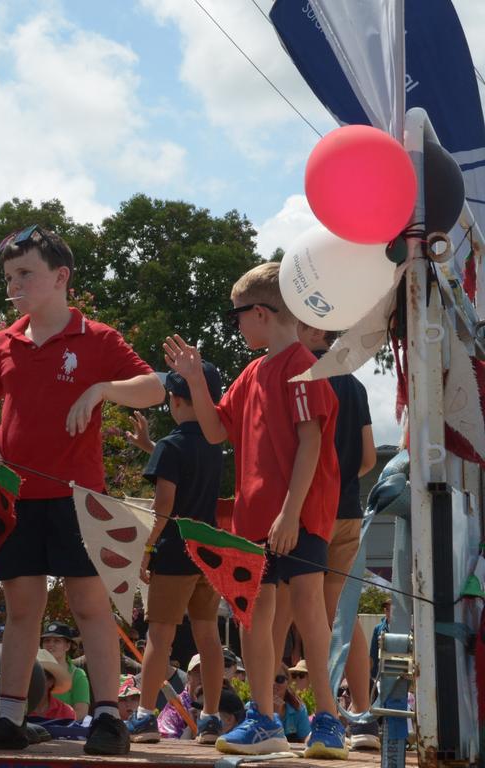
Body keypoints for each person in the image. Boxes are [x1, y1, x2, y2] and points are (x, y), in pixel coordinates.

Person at [0, 223, 164, 754]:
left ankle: (106, 718)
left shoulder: (97, 339)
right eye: (9, 276)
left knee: (89, 605)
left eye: (25, 273)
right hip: (14, 499)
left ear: (60, 277)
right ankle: (9, 716)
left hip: (79, 498)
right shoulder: (1, 344)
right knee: (22, 607)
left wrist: (102, 387)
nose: (15, 284)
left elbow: (154, 388)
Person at [164, 261, 347, 758]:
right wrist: (196, 380)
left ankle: (328, 718)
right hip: (252, 521)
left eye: (237, 315)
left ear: (262, 313)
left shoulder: (305, 367)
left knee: (308, 609)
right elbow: (218, 429)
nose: (236, 324)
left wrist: (291, 513)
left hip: (299, 515)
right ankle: (263, 718)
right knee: (252, 616)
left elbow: (310, 442)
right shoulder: (252, 371)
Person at [272, 320, 378, 750]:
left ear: (306, 330)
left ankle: (269, 710)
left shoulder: (296, 377)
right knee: (342, 616)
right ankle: (365, 719)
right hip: (348, 511)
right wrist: (341, 482)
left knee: (277, 610)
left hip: (303, 513)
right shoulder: (355, 385)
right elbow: (370, 457)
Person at [124, 363, 227, 745]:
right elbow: (189, 472)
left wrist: (147, 549)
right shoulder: (215, 443)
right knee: (208, 637)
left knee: (160, 637)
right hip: (208, 551)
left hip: (175, 551)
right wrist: (151, 448)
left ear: (175, 400)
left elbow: (164, 503)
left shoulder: (172, 446)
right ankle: (212, 718)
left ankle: (144, 716)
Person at [40, 622, 90, 720]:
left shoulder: (77, 675)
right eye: (47, 640)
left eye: (57, 641)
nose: (50, 644)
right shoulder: (33, 671)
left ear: (67, 646)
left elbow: (81, 713)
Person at [29, 649, 75, 720]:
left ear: (51, 681)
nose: (31, 680)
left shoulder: (65, 712)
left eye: (37, 676)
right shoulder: (16, 710)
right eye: (28, 676)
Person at [274, 663, 311, 743]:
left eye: (279, 679)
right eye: (269, 679)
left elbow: (305, 738)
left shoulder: (298, 708)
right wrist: (275, 714)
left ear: (288, 683)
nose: (274, 683)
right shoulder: (253, 708)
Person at [369, 598, 391, 681]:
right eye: (387, 609)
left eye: (392, 610)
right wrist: (373, 675)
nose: (389, 612)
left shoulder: (405, 628)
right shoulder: (378, 629)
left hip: (400, 670)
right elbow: (373, 652)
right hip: (382, 672)